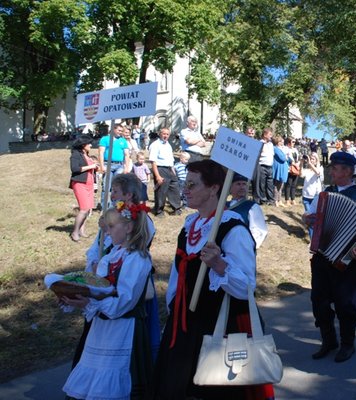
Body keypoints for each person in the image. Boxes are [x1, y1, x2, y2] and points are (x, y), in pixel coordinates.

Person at [148, 159, 275, 399]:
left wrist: (219, 264)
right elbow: (178, 275)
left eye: (193, 185)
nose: (185, 190)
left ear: (214, 188)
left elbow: (247, 287)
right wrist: (175, 307)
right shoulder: (190, 225)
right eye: (186, 184)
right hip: (185, 324)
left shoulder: (233, 229)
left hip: (221, 324)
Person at [62, 202, 153, 400]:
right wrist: (76, 295)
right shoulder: (111, 256)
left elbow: (123, 302)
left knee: (114, 386)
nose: (107, 232)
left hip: (124, 331)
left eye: (111, 227)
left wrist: (90, 303)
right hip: (101, 330)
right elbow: (98, 290)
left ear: (128, 228)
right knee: (94, 382)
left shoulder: (138, 259)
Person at [302, 151, 356, 363]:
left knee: (346, 303)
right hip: (323, 254)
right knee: (319, 301)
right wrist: (307, 219)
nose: (331, 170)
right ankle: (328, 340)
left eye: (335, 168)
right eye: (332, 167)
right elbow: (308, 217)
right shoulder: (325, 193)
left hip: (347, 257)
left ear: (348, 171)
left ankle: (347, 344)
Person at [69, 135, 98, 242]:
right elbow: (75, 168)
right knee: (83, 209)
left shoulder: (86, 154)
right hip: (80, 184)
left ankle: (82, 231)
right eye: (89, 143)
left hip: (89, 184)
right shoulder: (75, 155)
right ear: (83, 145)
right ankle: (75, 232)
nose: (91, 145)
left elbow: (90, 168)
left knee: (88, 209)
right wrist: (91, 166)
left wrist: (96, 167)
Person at [227, 173, 268, 248]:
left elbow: (259, 230)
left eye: (244, 184)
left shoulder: (252, 206)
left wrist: (247, 247)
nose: (242, 187)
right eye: (238, 184)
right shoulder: (224, 205)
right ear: (231, 187)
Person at [148, 128, 182, 217]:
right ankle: (159, 211)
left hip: (170, 169)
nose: (165, 136)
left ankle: (176, 209)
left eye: (167, 134)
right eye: (164, 134)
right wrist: (158, 176)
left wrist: (174, 172)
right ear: (160, 134)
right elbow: (153, 161)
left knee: (175, 189)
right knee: (161, 191)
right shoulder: (155, 145)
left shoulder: (168, 145)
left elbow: (171, 160)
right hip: (160, 169)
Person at [98, 124, 131, 208]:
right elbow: (101, 152)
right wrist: (102, 166)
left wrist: (126, 167)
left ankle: (117, 206)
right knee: (106, 186)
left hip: (119, 166)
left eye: (121, 131)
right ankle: (104, 207)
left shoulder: (123, 141)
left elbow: (126, 154)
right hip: (107, 164)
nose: (120, 132)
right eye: (119, 130)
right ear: (113, 129)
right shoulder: (105, 139)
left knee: (118, 187)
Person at [301, 152, 324, 238]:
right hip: (306, 196)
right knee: (310, 218)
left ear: (317, 160)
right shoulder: (307, 170)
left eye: (313, 158)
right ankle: (312, 240)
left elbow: (317, 173)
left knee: (315, 218)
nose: (311, 159)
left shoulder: (320, 168)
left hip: (316, 196)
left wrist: (309, 163)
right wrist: (301, 163)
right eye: (310, 158)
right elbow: (300, 174)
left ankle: (315, 237)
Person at [253, 128, 275, 205]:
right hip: (262, 166)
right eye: (270, 134)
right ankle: (263, 199)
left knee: (270, 184)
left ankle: (271, 200)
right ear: (265, 135)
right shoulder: (260, 143)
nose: (271, 136)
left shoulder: (271, 144)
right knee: (261, 184)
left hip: (270, 166)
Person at [272, 135, 289, 207]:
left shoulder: (282, 149)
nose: (282, 142)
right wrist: (286, 157)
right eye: (281, 141)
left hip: (283, 168)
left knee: (281, 185)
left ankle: (280, 200)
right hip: (278, 168)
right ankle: (275, 200)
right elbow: (282, 158)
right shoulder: (275, 148)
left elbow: (287, 157)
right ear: (277, 142)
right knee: (277, 185)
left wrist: (287, 157)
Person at [283, 137, 300, 206]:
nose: (294, 143)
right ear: (288, 142)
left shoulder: (295, 149)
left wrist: (297, 164)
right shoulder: (285, 149)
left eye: (294, 142)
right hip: (289, 168)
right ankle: (287, 200)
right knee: (288, 184)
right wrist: (293, 163)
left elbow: (298, 157)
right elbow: (287, 158)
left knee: (294, 185)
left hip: (296, 168)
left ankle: (293, 199)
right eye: (292, 141)